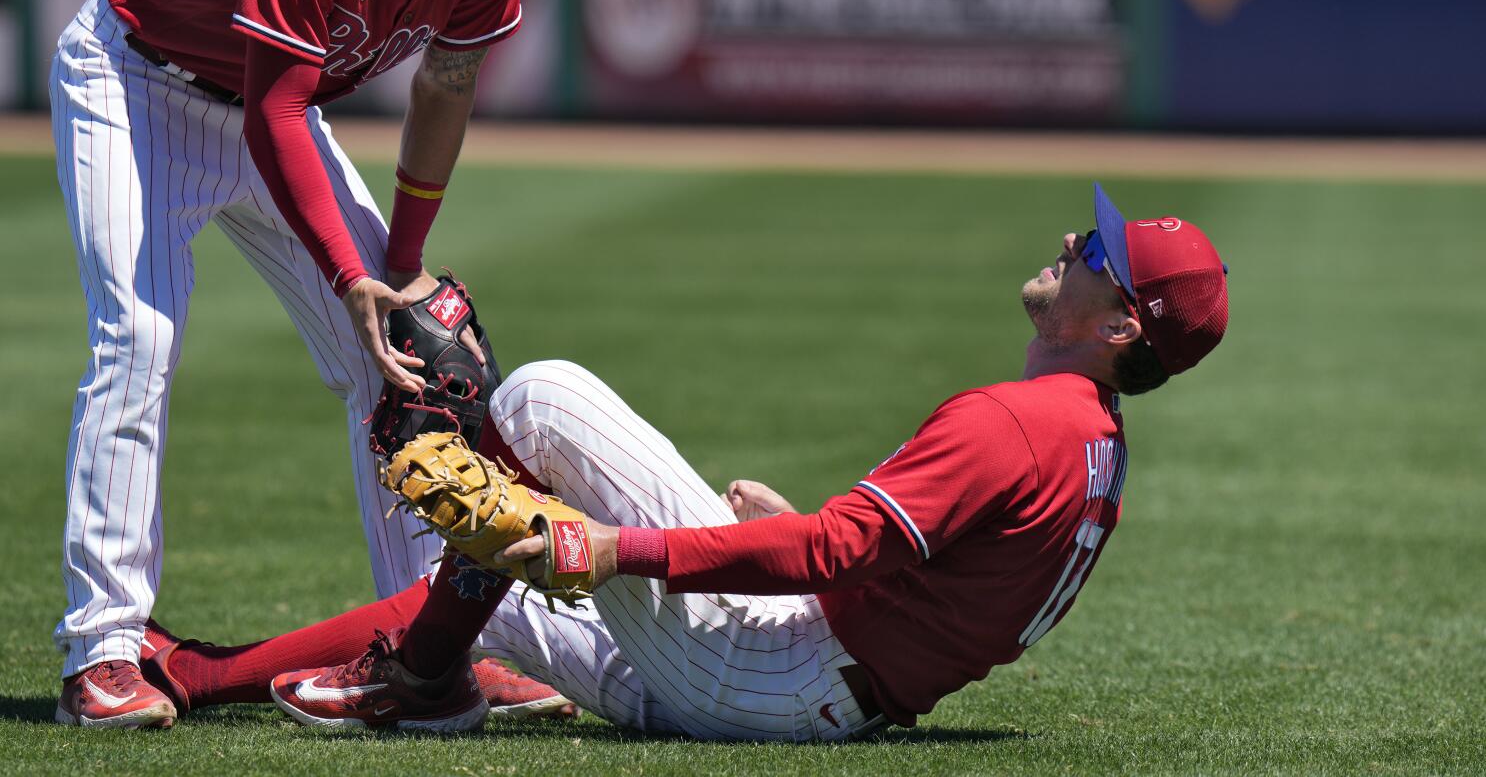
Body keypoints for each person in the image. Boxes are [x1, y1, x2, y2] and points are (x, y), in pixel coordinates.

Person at [132, 183, 1230, 739]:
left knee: (539, 398)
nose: (1076, 245)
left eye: (1101, 257)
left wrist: (616, 548)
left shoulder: (1018, 421)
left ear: (1119, 326)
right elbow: (943, 586)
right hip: (828, 680)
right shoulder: (1089, 440)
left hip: (776, 677)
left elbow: (833, 545)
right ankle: (210, 673)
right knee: (481, 604)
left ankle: (418, 672)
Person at [49, 0, 579, 728]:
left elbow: (446, 89)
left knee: (404, 361)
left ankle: (431, 652)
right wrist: (350, 276)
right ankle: (102, 653)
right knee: (137, 341)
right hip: (133, 80)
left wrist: (400, 269)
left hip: (266, 110)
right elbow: (275, 110)